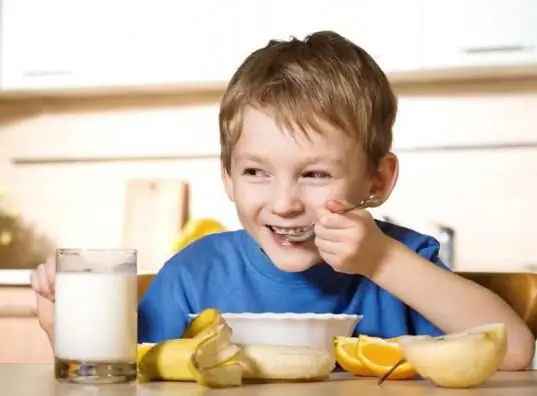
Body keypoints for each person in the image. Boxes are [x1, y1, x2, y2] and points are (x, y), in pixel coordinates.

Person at [31, 30, 535, 371]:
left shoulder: (402, 263)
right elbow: (124, 372)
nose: (285, 202)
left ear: (377, 179)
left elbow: (513, 351)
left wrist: (382, 260)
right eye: (256, 172)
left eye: (315, 174)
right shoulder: (195, 273)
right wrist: (65, 324)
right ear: (227, 177)